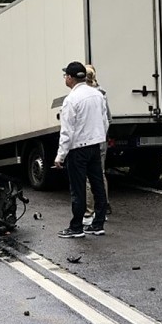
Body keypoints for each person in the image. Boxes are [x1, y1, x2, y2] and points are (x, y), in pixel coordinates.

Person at [54, 61, 109, 238]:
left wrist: (60, 156)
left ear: (70, 78)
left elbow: (67, 131)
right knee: (97, 185)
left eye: (65, 76)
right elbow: (104, 120)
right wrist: (100, 136)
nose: (65, 78)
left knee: (77, 189)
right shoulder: (97, 95)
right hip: (96, 146)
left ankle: (76, 226)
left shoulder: (71, 100)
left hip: (78, 149)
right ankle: (98, 223)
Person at [83, 64, 111, 226]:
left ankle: (89, 212)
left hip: (90, 140)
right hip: (101, 140)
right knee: (100, 173)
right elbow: (109, 118)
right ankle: (104, 207)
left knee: (88, 177)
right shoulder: (102, 94)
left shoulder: (87, 96)